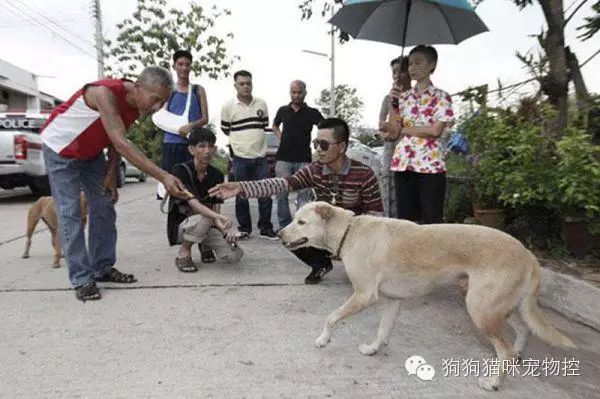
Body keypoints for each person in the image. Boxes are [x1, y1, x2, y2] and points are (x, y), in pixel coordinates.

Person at [41, 66, 189, 302]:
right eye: (155, 99)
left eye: (162, 102)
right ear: (138, 87)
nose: (156, 107)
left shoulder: (135, 106)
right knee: (70, 214)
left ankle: (102, 267)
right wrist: (164, 176)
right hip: (61, 149)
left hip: (90, 154)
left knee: (104, 206)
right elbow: (121, 142)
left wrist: (111, 173)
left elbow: (114, 142)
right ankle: (81, 278)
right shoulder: (104, 93)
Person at [209, 118, 383, 285]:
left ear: (342, 147)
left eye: (324, 144)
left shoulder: (364, 174)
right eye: (316, 143)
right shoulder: (314, 170)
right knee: (289, 234)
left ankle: (357, 263)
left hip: (355, 238)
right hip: (325, 234)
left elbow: (376, 217)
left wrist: (351, 247)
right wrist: (242, 187)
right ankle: (320, 264)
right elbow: (284, 184)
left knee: (361, 279)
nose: (319, 149)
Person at [384, 45, 455, 224]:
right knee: (406, 222)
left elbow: (435, 131)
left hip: (430, 166)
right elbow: (392, 133)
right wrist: (393, 104)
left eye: (418, 62)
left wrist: (404, 130)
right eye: (410, 64)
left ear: (432, 65)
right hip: (403, 165)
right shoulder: (403, 97)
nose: (412, 68)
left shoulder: (442, 97)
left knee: (432, 221)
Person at [167, 127, 243, 272]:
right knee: (206, 217)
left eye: (210, 146)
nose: (207, 151)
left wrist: (225, 231)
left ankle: (205, 245)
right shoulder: (180, 170)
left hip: (206, 223)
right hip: (182, 225)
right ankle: (184, 251)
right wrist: (218, 217)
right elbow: (193, 203)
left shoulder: (217, 175)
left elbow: (216, 208)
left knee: (235, 255)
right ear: (191, 149)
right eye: (201, 146)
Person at [220, 70, 277, 240]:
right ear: (235, 85)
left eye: (248, 83)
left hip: (261, 158)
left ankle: (266, 227)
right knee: (241, 195)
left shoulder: (261, 104)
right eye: (242, 83)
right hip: (240, 159)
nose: (245, 86)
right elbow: (225, 129)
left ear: (252, 84)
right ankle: (244, 228)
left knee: (265, 193)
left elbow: (263, 125)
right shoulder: (228, 107)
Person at [272, 80, 324, 230]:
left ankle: (301, 227)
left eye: (299, 92)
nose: (296, 95)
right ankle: (284, 225)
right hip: (283, 158)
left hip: (304, 159)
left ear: (305, 92)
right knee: (281, 194)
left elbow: (325, 126)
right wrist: (281, 136)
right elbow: (274, 125)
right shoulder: (283, 110)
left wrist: (318, 140)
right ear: (290, 92)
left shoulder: (312, 112)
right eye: (293, 92)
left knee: (304, 195)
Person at [157, 49, 209, 199]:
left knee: (193, 187)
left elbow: (205, 118)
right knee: (171, 188)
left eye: (187, 64)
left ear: (191, 66)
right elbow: (159, 114)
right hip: (171, 144)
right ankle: (173, 222)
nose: (184, 68)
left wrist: (189, 127)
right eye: (180, 64)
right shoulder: (168, 90)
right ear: (174, 66)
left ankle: (193, 220)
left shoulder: (198, 90)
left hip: (192, 145)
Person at [378, 56, 411, 218]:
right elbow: (381, 124)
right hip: (391, 150)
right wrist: (387, 132)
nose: (397, 76)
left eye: (401, 71)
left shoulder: (415, 98)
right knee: (388, 186)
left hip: (410, 153)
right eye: (394, 72)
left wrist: (396, 128)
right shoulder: (388, 98)